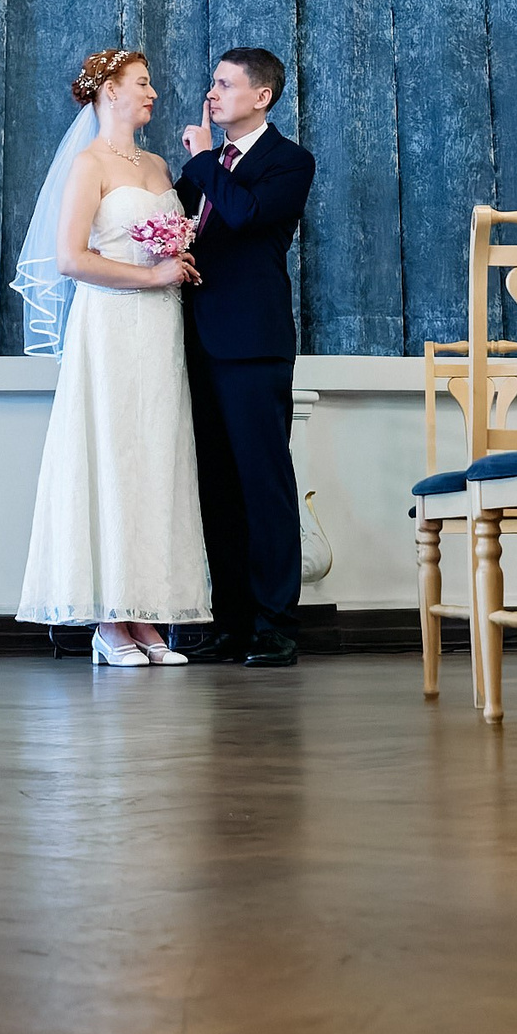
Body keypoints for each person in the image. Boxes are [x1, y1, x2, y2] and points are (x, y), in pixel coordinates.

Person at [13, 49, 213, 665]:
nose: (152, 92)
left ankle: (146, 615)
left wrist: (174, 266)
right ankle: (108, 622)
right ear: (108, 92)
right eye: (141, 83)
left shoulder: (157, 164)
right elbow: (71, 259)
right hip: (109, 327)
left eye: (150, 82)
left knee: (157, 457)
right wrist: (150, 278)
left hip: (161, 331)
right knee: (110, 456)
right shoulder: (88, 164)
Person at [176, 47, 316, 668]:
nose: (212, 94)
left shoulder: (289, 162)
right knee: (218, 489)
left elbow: (245, 214)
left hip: (253, 344)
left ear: (261, 96)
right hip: (195, 342)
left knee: (264, 485)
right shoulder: (203, 168)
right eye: (212, 83)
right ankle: (230, 621)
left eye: (225, 84)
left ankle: (276, 624)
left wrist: (205, 159)